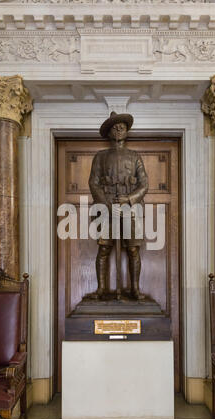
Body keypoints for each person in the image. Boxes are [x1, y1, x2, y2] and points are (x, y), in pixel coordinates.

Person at [89, 111, 148, 300]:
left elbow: (144, 184)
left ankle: (135, 289)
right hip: (106, 208)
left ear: (127, 131)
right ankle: (101, 289)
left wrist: (129, 198)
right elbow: (94, 182)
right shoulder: (100, 157)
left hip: (130, 208)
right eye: (115, 127)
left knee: (132, 249)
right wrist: (106, 202)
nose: (119, 129)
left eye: (122, 126)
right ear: (109, 133)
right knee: (104, 248)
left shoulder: (134, 156)